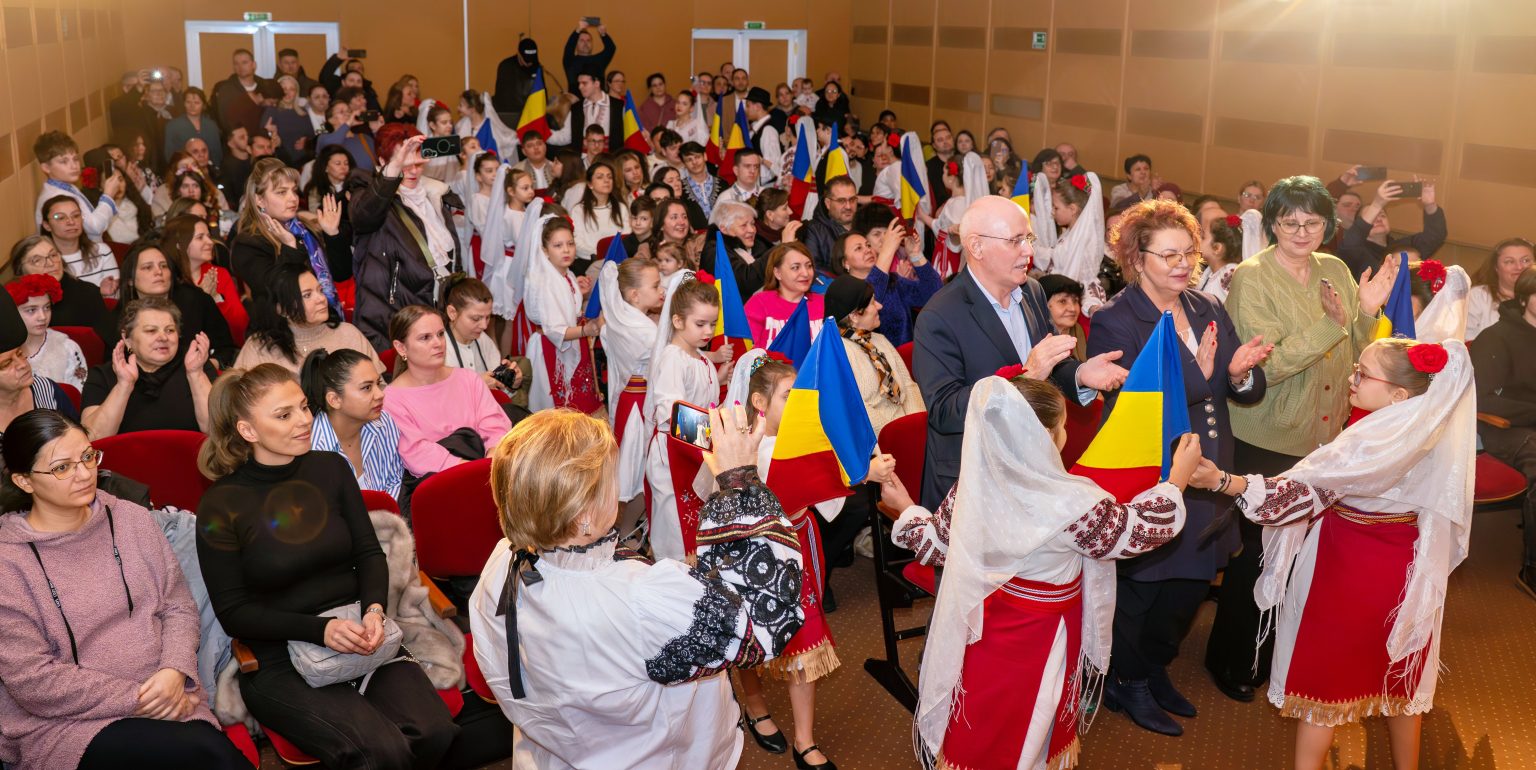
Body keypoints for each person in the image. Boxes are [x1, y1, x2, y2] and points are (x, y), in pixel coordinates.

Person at [469, 403, 804, 768]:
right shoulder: (639, 597)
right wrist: (740, 480)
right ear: (583, 516)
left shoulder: (501, 561)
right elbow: (763, 622)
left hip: (560, 752)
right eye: (610, 480)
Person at [890, 373, 1196, 770]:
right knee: (1031, 722)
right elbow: (1139, 531)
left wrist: (906, 509)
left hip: (987, 627)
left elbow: (937, 545)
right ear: (1047, 436)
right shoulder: (1072, 503)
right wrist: (1176, 482)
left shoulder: (973, 488)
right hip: (1042, 634)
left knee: (987, 719)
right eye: (1063, 425)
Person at [1196, 334, 1473, 770]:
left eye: (1363, 374)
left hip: (1346, 566)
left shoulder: (1370, 442)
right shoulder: (1434, 430)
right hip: (1404, 569)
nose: (1351, 379)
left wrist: (1222, 481)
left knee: (1322, 687)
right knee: (1397, 677)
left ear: (1398, 396)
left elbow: (1294, 496)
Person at [195, 364, 459, 768]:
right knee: (380, 751)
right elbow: (234, 613)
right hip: (281, 654)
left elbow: (369, 553)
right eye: (284, 415)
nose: (304, 420)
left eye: (303, 407)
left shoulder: (330, 468)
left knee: (436, 731)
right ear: (248, 430)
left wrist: (374, 611)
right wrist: (322, 630)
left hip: (358, 627)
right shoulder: (220, 504)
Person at [1207, 175, 1399, 701]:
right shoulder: (1252, 278)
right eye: (1289, 221)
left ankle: (1273, 650)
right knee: (1256, 552)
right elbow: (1266, 365)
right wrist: (1332, 326)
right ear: (1272, 223)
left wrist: (1367, 313)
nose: (1300, 231)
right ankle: (1231, 658)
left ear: (1327, 225)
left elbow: (1355, 348)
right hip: (1268, 432)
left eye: (1312, 222)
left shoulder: (1334, 268)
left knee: (1299, 551)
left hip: (1324, 431)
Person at [1086, 199, 1271, 736]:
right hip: (1156, 473)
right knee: (1145, 588)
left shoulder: (1207, 304)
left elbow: (1239, 387)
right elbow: (1133, 407)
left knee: (1189, 586)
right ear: (1136, 258)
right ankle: (1127, 679)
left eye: (1188, 252)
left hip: (1210, 473)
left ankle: (1152, 669)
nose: (1182, 264)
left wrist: (1237, 374)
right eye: (1167, 255)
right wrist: (1202, 375)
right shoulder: (1116, 320)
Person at [0, 409, 252, 770]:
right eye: (62, 467)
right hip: (66, 724)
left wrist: (173, 671)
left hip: (166, 692)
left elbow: (177, 606)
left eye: (88, 457)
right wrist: (141, 699)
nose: (84, 474)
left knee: (204, 753)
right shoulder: (8, 562)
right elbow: (33, 680)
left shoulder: (132, 519)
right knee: (205, 754)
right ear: (25, 481)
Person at [912, 196, 1130, 508]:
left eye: (1029, 238)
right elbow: (946, 412)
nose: (1029, 251)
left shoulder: (1031, 291)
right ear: (976, 247)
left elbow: (1050, 363)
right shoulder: (939, 315)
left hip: (1032, 461)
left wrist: (1082, 373)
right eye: (1015, 241)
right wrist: (1027, 376)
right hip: (974, 478)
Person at [729, 354, 859, 770]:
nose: (798, 404)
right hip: (758, 553)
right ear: (760, 402)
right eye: (789, 396)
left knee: (805, 633)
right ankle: (755, 706)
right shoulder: (748, 449)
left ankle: (805, 740)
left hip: (798, 543)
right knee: (750, 634)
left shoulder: (798, 439)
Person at [645, 275, 735, 561]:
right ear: (678, 321)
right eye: (700, 324)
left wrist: (721, 380)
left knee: (698, 520)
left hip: (696, 451)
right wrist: (715, 434)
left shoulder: (702, 358)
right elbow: (671, 411)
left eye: (712, 323)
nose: (708, 331)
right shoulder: (673, 357)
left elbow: (704, 400)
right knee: (674, 523)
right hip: (674, 454)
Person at [352, 129, 464, 350]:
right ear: (383, 161)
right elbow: (363, 217)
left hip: (435, 311)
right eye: (405, 163)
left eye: (418, 163)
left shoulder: (435, 193)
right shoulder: (369, 191)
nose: (413, 170)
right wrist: (394, 168)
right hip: (392, 314)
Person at [383, 305, 512, 477]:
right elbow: (417, 452)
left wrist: (493, 457)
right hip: (438, 482)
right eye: (425, 338)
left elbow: (494, 425)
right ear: (401, 348)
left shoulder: (468, 379)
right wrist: (472, 470)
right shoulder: (391, 399)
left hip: (487, 468)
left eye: (440, 334)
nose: (438, 343)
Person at [1471, 267, 1536, 596]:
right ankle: (1532, 571)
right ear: (1524, 297)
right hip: (1507, 427)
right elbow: (1481, 399)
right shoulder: (1496, 337)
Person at [231, 158, 353, 320]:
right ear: (259, 200)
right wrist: (290, 247)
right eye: (282, 192)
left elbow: (342, 274)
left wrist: (332, 234)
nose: (293, 198)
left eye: (294, 191)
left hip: (328, 320)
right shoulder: (247, 243)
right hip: (286, 328)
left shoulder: (304, 229)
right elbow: (277, 292)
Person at [81, 297, 212, 439]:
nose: (163, 337)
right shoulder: (103, 375)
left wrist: (196, 374)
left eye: (170, 330)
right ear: (127, 338)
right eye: (151, 331)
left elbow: (216, 431)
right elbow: (93, 438)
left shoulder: (198, 365)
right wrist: (124, 385)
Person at [597, 257, 662, 516]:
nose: (661, 290)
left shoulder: (623, 322)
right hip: (638, 404)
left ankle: (631, 526)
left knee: (633, 465)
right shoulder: (640, 329)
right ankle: (626, 526)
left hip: (632, 399)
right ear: (635, 295)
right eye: (655, 286)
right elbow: (664, 357)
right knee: (635, 467)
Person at [236, 263, 381, 374]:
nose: (321, 299)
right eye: (307, 295)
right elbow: (238, 398)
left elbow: (379, 386)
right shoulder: (259, 348)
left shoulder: (348, 334)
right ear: (281, 309)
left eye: (320, 290)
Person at [824, 275, 924, 433]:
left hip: (907, 429)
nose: (879, 306)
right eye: (872, 303)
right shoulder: (837, 352)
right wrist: (895, 434)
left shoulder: (879, 340)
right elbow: (856, 407)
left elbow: (908, 385)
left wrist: (917, 425)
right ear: (854, 316)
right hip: (878, 438)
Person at [524, 216, 604, 413]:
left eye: (570, 243)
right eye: (558, 245)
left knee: (580, 405)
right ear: (545, 250)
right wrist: (586, 330)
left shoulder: (566, 274)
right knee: (561, 410)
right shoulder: (546, 282)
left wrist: (579, 293)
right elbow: (555, 330)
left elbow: (568, 310)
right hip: (552, 349)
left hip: (574, 342)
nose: (566, 250)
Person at [302, 348, 405, 501]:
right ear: (334, 400)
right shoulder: (312, 450)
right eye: (367, 388)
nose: (380, 394)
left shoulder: (384, 423)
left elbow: (395, 482)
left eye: (378, 383)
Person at [115, 242, 238, 369]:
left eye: (164, 266)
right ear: (130, 279)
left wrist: (207, 366)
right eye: (148, 267)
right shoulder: (121, 315)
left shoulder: (196, 300)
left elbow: (226, 350)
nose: (159, 272)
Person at [834, 221, 939, 348]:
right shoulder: (844, 294)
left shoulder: (893, 281)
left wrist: (915, 255)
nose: (867, 250)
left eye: (868, 245)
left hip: (907, 356)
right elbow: (869, 299)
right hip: (873, 358)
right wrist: (887, 250)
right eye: (858, 248)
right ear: (845, 263)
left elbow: (934, 294)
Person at [8, 235, 114, 347]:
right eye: (37, 260)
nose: (50, 263)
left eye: (53, 255)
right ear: (20, 269)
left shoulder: (88, 293)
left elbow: (108, 343)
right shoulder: (13, 300)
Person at [161, 214, 247, 344]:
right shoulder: (166, 278)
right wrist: (202, 298)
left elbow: (240, 327)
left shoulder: (218, 274)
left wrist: (216, 299)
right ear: (179, 244)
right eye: (200, 237)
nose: (210, 242)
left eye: (208, 236)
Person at [1336, 179, 1447, 281]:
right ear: (1362, 224)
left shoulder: (1403, 246)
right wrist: (1377, 205)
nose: (1379, 219)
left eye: (1382, 215)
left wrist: (1430, 205)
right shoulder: (1356, 252)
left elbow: (1435, 235)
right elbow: (1351, 243)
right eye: (1373, 217)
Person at [33, 131, 122, 241]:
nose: (74, 166)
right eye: (64, 161)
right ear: (46, 168)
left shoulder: (67, 186)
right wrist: (108, 195)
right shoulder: (55, 197)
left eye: (75, 159)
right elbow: (95, 228)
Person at [8, 273, 88, 390]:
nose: (42, 317)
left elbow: (77, 392)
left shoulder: (67, 348)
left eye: (47, 307)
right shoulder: (4, 354)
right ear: (12, 313)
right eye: (31, 310)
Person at [745, 243, 826, 348]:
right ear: (778, 273)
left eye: (809, 266)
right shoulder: (759, 303)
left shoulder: (823, 303)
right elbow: (747, 352)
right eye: (795, 267)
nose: (805, 273)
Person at [40, 196, 120, 297]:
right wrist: (98, 291)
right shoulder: (44, 260)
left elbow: (114, 297)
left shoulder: (101, 251)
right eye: (60, 218)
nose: (71, 222)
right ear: (47, 225)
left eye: (76, 215)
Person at [1467, 238, 1534, 340]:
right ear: (1496, 268)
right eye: (1509, 262)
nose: (1519, 267)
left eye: (1526, 260)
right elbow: (1465, 340)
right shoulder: (1477, 296)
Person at [209, 49, 275, 137]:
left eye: (244, 62)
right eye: (236, 63)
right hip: (238, 139)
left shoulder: (265, 86)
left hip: (265, 139)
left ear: (254, 65)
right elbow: (225, 121)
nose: (240, 67)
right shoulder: (226, 90)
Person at [572, 160, 629, 260]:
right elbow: (577, 243)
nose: (606, 180)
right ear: (590, 184)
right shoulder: (579, 210)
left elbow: (627, 237)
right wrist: (601, 254)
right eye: (600, 177)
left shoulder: (621, 208)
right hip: (590, 260)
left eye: (609, 177)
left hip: (618, 259)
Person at [801, 176, 859, 273]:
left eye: (852, 199)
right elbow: (813, 269)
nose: (848, 206)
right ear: (828, 203)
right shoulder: (814, 231)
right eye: (841, 201)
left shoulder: (867, 225)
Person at [162, 87, 223, 168]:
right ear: (184, 103)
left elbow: (217, 153)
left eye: (196, 103)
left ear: (203, 105)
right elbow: (170, 154)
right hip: (185, 170)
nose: (192, 106)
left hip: (209, 169)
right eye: (188, 102)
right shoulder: (173, 126)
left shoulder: (211, 125)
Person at [492, 37, 543, 124]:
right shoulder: (506, 67)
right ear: (519, 54)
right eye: (526, 60)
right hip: (510, 115)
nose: (529, 63)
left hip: (530, 115)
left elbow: (541, 94)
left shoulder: (537, 67)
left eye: (532, 60)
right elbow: (503, 98)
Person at [1194, 214, 1243, 303]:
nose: (1199, 240)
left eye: (1203, 238)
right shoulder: (1209, 271)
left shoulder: (1230, 273)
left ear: (1217, 248)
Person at [1038, 274, 1088, 362]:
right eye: (1063, 301)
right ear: (1043, 305)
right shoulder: (1034, 339)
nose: (1072, 309)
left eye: (1075, 301)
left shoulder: (1082, 332)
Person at [562, 20, 617, 95]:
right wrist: (577, 30)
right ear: (576, 44)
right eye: (582, 40)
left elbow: (611, 48)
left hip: (599, 101)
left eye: (588, 41)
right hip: (577, 101)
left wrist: (603, 34)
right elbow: (569, 48)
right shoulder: (570, 61)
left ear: (592, 43)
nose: (585, 43)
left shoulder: (599, 60)